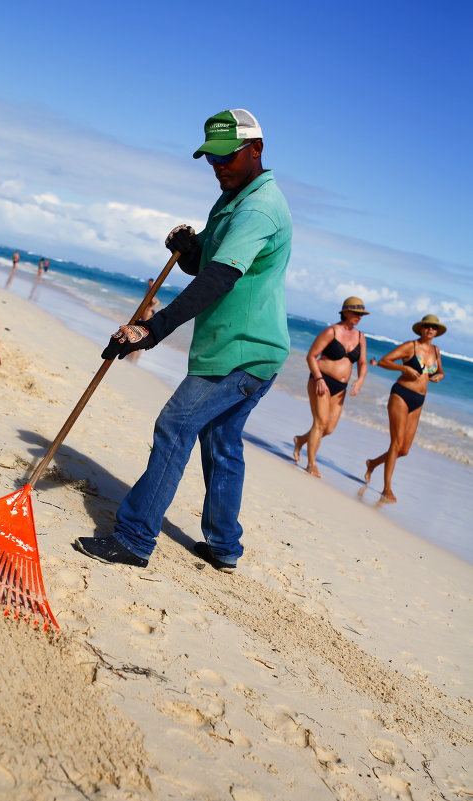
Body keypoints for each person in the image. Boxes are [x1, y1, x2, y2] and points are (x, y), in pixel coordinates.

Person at [74, 108, 292, 572]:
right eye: (211, 159)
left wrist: (150, 331)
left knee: (175, 425)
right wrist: (189, 247)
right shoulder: (234, 198)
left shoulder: (257, 208)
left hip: (241, 352)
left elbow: (218, 279)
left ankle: (134, 539)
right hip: (246, 350)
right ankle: (224, 547)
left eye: (226, 157)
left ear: (256, 149)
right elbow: (204, 264)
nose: (218, 167)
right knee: (222, 442)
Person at [364, 314, 445, 502]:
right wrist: (404, 369)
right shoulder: (411, 346)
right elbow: (385, 361)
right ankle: (387, 488)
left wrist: (439, 376)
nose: (430, 330)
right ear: (421, 329)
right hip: (401, 394)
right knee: (396, 443)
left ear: (437, 332)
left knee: (404, 450)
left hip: (419, 400)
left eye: (434, 328)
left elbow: (440, 371)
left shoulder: (436, 350)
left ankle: (373, 463)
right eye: (427, 327)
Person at [292, 297, 368, 477]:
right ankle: (311, 464)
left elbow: (363, 362)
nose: (359, 317)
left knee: (329, 428)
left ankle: (301, 440)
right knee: (320, 423)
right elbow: (311, 356)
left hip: (341, 387)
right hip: (322, 381)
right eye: (356, 313)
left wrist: (360, 379)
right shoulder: (331, 331)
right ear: (346, 312)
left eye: (361, 314)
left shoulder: (360, 336)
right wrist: (318, 378)